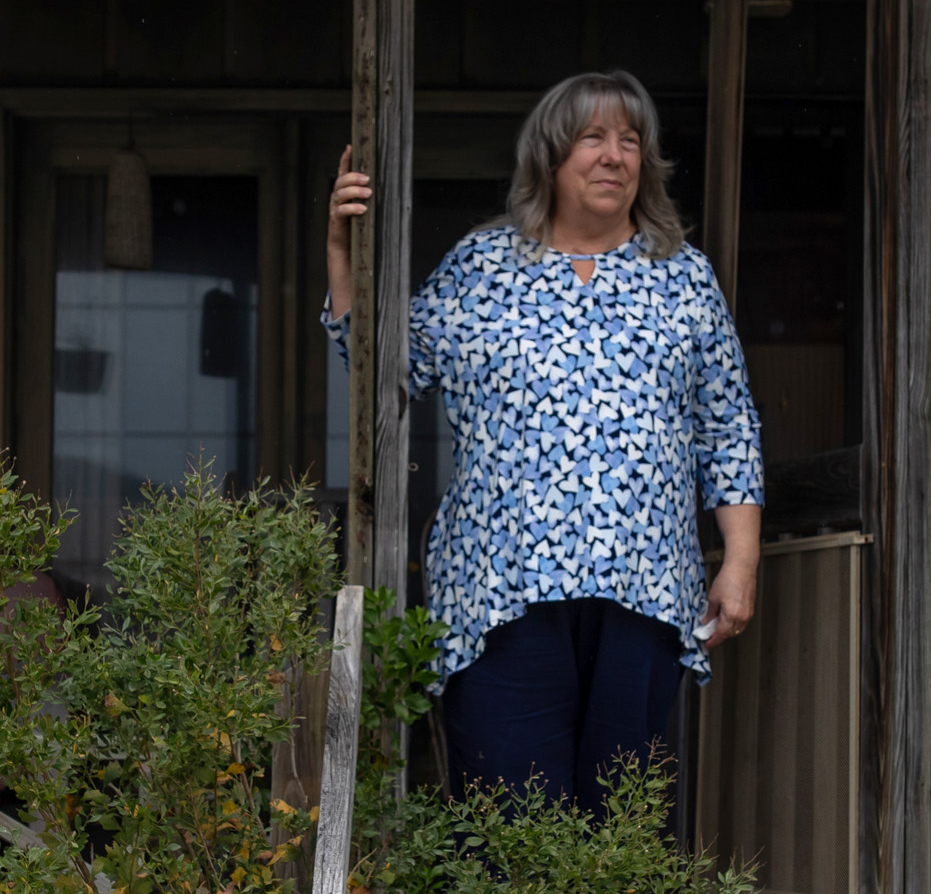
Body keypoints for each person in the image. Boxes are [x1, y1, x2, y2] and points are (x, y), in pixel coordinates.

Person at [323, 69, 765, 814]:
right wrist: (342, 249)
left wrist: (741, 563)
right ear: (551, 159)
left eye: (631, 140)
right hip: (503, 591)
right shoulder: (483, 267)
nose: (615, 156)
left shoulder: (684, 279)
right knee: (510, 815)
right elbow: (385, 369)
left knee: (616, 829)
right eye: (593, 137)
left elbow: (728, 426)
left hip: (646, 589)